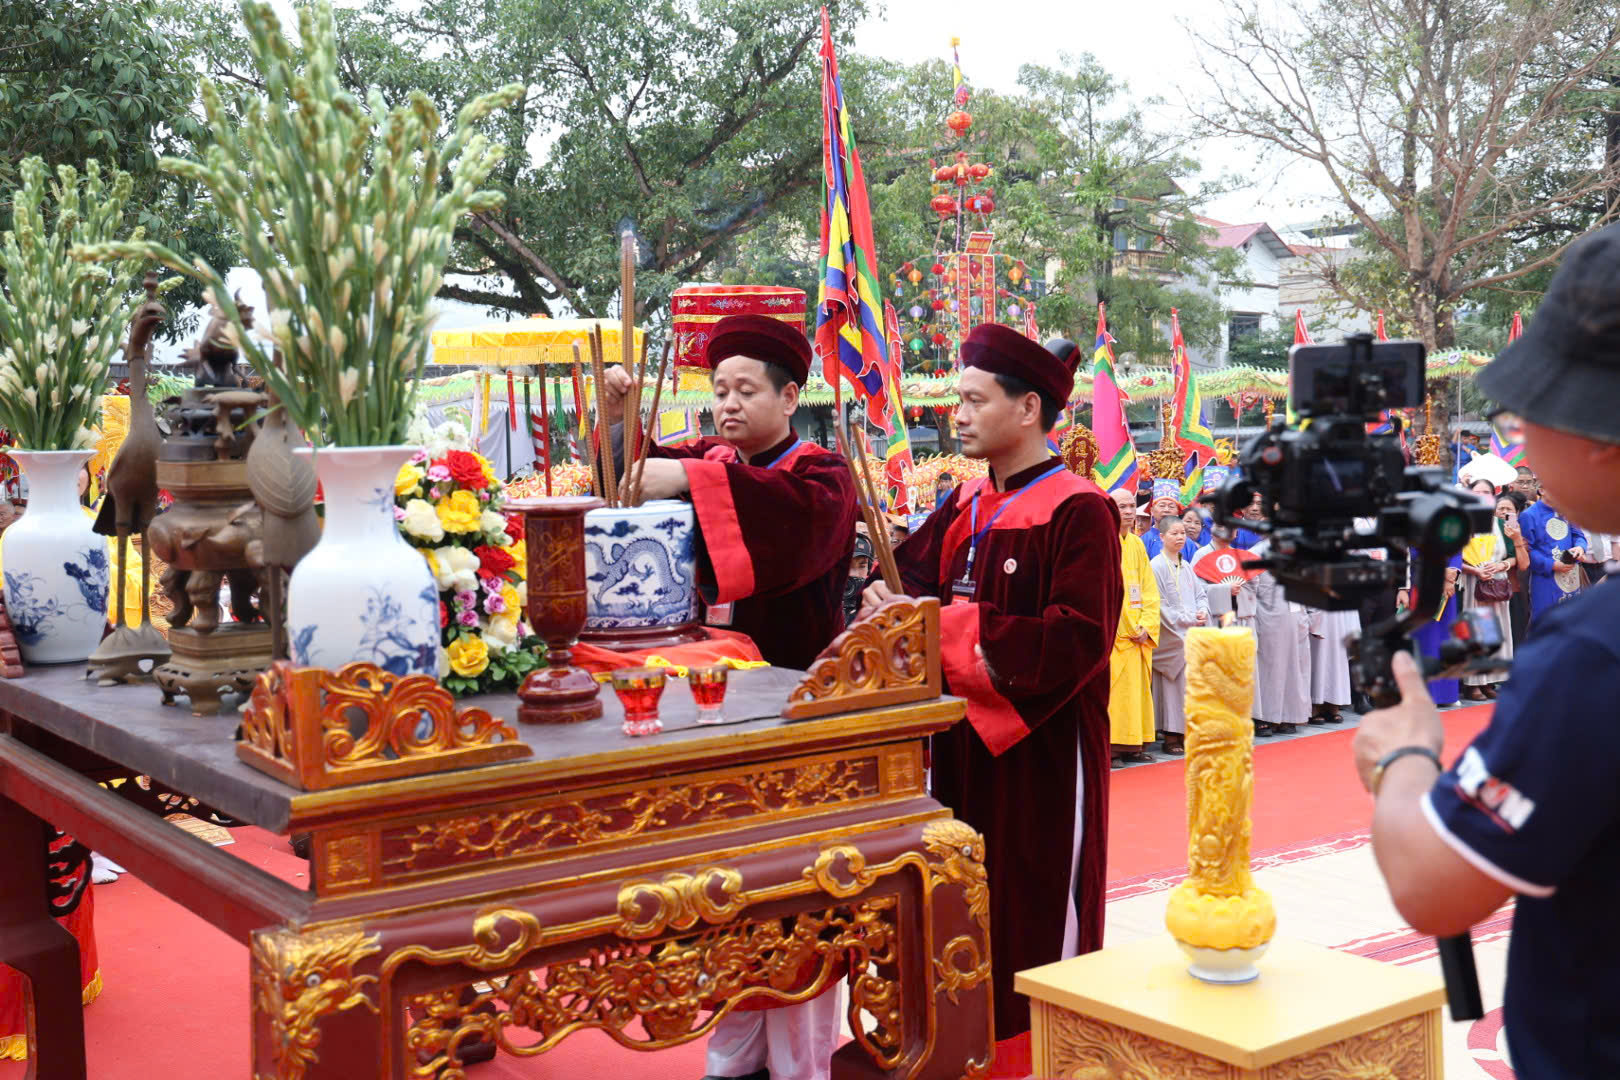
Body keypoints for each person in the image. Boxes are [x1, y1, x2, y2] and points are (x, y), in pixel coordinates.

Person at [1355, 222, 1620, 1078]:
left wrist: (1405, 758)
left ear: (1600, 437)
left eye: (1530, 416)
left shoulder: (1595, 651)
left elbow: (1439, 886)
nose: (1522, 447)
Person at [601, 313, 857, 1080]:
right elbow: (627, 477)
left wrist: (690, 479)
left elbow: (782, 536)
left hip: (795, 716)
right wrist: (620, 424)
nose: (728, 405)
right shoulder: (708, 459)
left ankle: (804, 1065)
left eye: (747, 389)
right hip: (707, 713)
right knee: (726, 890)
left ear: (790, 396)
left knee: (798, 896)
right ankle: (734, 1053)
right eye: (718, 390)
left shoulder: (822, 477)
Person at [859, 322, 1121, 1038]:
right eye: (958, 402)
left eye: (975, 400)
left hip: (1039, 754)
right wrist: (882, 605)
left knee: (1031, 913)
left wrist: (937, 625)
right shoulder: (963, 505)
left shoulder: (1079, 509)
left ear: (1028, 408)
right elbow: (903, 588)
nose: (961, 416)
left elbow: (1077, 642)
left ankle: (1040, 1047)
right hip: (959, 749)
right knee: (958, 902)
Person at [1458, 481, 1524, 701]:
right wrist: (1475, 570)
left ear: (1494, 495)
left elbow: (1515, 556)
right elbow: (1454, 556)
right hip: (1472, 582)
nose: (1482, 495)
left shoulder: (1501, 522)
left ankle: (1490, 680)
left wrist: (1502, 565)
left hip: (1498, 581)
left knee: (1497, 632)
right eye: (1477, 492)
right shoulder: (1462, 521)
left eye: (1486, 492)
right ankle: (1472, 683)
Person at [1149, 514, 1209, 755]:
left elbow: (1200, 596)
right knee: (1172, 689)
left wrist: (1202, 611)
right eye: (1174, 533)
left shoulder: (1186, 566)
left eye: (1182, 533)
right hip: (1172, 638)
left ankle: (1189, 732)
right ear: (1161, 536)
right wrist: (1187, 620)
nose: (1180, 537)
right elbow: (1159, 605)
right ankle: (1171, 736)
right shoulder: (1156, 566)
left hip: (1191, 633)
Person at [1108, 486, 1159, 766]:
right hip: (1115, 631)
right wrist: (1125, 624)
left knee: (1137, 689)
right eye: (1122, 507)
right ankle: (1113, 745)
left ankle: (1134, 743)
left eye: (1131, 507)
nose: (1128, 512)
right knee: (1116, 690)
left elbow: (1149, 590)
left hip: (1138, 629)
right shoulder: (1103, 541)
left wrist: (1147, 625)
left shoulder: (1137, 544)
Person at [1250, 537, 1309, 734]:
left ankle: (1288, 715)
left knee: (1294, 666)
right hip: (1268, 617)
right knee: (1269, 667)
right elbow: (1250, 588)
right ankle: (1263, 718)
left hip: (1295, 613)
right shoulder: (1256, 552)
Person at [1518, 491, 1588, 625]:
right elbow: (1527, 550)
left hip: (1571, 574)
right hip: (1545, 578)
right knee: (1546, 621)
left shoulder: (1568, 510)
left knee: (1574, 619)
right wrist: (1551, 565)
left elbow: (1579, 536)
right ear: (1542, 490)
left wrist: (1580, 548)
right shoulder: (1529, 515)